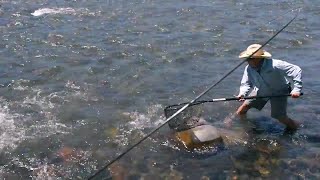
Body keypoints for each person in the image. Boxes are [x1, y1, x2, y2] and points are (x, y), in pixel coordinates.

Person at [231, 44, 302, 131]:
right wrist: (242, 93)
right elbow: (246, 84)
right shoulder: (248, 69)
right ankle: (243, 127)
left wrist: (296, 89)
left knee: (280, 117)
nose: (247, 61)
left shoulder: (276, 64)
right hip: (261, 91)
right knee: (242, 110)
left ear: (259, 58)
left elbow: (296, 70)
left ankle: (295, 127)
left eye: (250, 58)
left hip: (279, 92)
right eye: (247, 58)